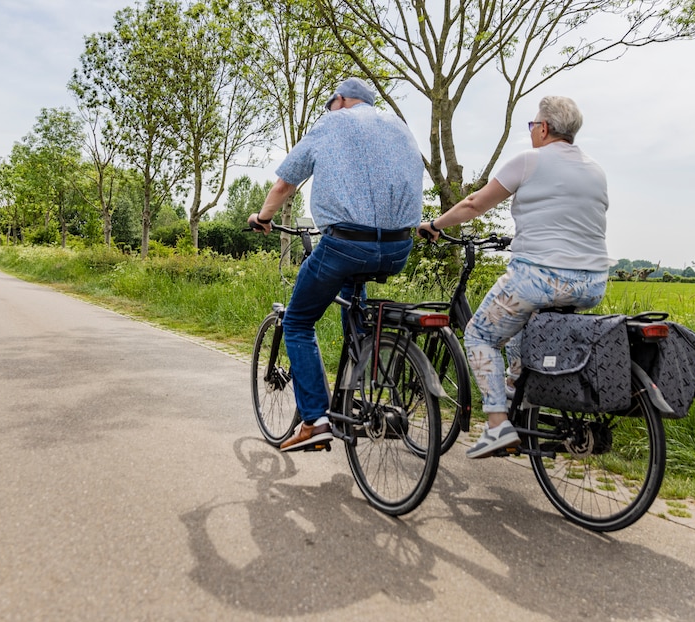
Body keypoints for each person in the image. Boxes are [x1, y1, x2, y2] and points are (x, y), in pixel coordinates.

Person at [418, 95, 611, 459]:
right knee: (525, 318)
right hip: (591, 283)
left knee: (479, 334)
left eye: (532, 125)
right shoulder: (595, 169)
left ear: (543, 128)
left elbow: (474, 204)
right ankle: (516, 385)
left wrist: (434, 225)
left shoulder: (530, 160)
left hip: (539, 278)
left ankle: (496, 426)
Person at [249, 77, 425, 452]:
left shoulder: (332, 122)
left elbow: (285, 184)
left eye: (331, 103)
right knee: (353, 302)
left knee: (297, 321)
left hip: (345, 245)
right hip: (397, 249)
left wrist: (264, 217)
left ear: (341, 100)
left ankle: (315, 419)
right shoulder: (399, 126)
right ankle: (356, 382)